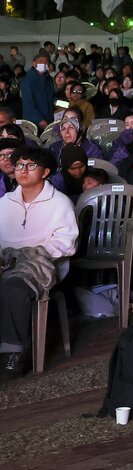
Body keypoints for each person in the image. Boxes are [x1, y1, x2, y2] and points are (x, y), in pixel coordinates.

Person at [0, 147, 78, 380]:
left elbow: (66, 243)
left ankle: (12, 353)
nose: (23, 170)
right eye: (19, 165)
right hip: (6, 260)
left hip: (42, 263)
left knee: (14, 288)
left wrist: (31, 253)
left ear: (45, 172)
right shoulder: (5, 203)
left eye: (31, 165)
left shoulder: (60, 203)